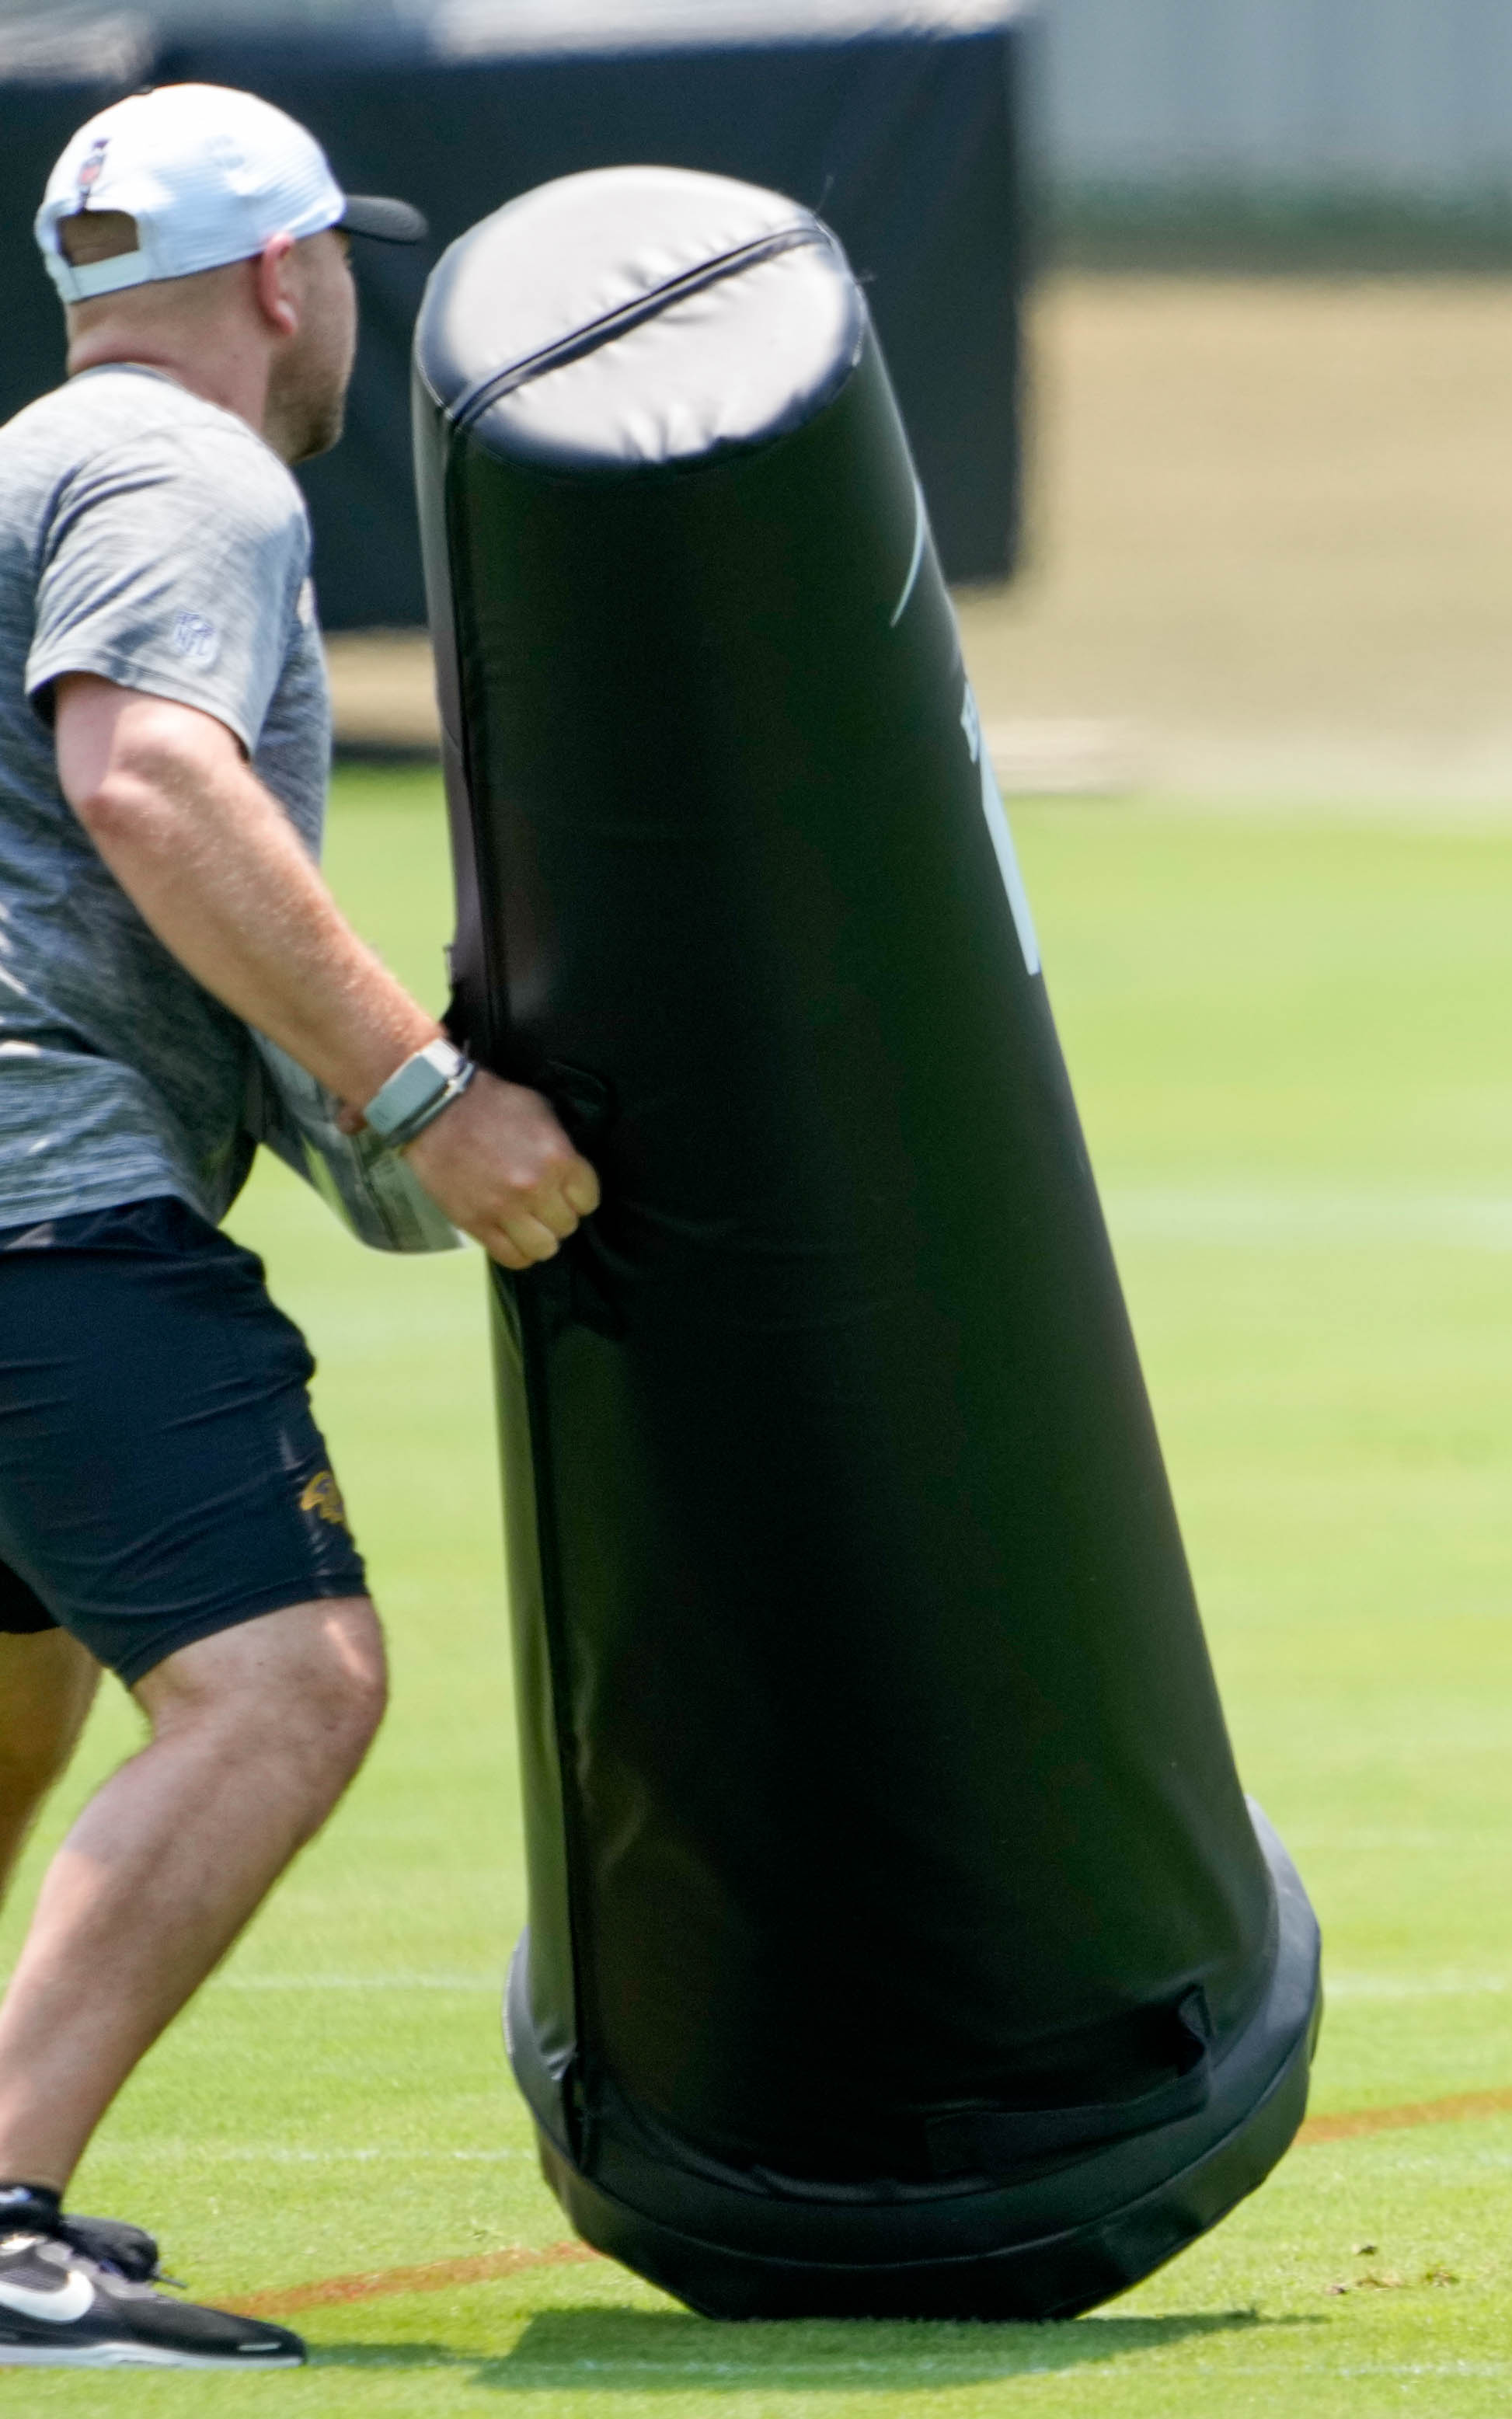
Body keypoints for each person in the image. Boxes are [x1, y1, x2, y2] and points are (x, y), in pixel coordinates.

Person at [0, 86, 599, 2367]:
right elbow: (145, 776)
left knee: (17, 1692)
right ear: (288, 278)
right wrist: (429, 1103)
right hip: (44, 1189)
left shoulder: (30, 457)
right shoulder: (191, 472)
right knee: (286, 1681)